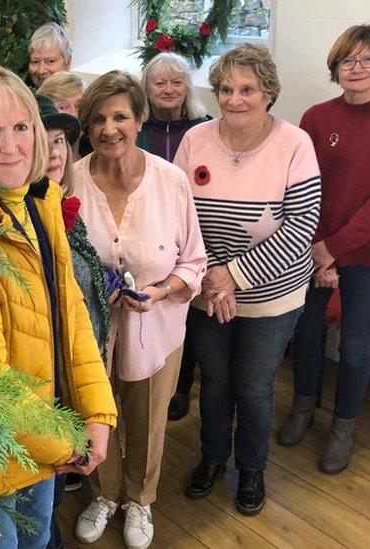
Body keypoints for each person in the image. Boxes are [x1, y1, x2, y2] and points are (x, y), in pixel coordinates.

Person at [0, 62, 117, 549]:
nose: (11, 145)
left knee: (36, 542)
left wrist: (97, 414)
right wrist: (67, 443)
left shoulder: (41, 202)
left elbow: (73, 319)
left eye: (21, 127)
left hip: (45, 435)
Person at [173, 44, 321, 516]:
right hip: (207, 290)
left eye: (247, 89)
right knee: (214, 383)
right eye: (225, 89)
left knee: (255, 387)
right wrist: (214, 278)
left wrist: (232, 276)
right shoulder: (196, 139)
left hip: (273, 296)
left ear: (269, 93)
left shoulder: (295, 144)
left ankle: (252, 468)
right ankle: (214, 457)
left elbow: (301, 227)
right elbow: (179, 216)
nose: (234, 99)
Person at [71, 71, 207, 549]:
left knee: (148, 419)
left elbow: (194, 260)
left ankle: (139, 500)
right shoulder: (70, 182)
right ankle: (104, 493)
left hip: (157, 329)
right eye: (98, 120)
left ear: (140, 118)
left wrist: (165, 289)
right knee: (96, 412)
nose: (110, 128)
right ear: (86, 128)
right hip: (90, 332)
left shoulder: (171, 181)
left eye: (120, 116)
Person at [281, 24, 370, 474]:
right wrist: (317, 249)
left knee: (356, 347)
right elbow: (303, 188)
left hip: (367, 250)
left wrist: (334, 251)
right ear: (335, 67)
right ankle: (304, 407)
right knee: (306, 332)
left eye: (367, 60)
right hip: (313, 243)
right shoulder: (317, 117)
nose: (356, 68)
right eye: (347, 60)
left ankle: (343, 427)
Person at [36, 94, 109, 549]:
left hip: (75, 378)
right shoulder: (28, 219)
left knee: (56, 493)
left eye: (59, 141)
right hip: (46, 391)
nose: (53, 152)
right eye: (40, 141)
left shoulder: (63, 207)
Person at [137, 52, 212, 422]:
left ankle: (181, 387)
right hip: (150, 237)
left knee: (188, 317)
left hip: (194, 235)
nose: (168, 89)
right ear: (146, 89)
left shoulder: (205, 128)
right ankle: (154, 381)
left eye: (176, 82)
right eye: (159, 82)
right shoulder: (138, 131)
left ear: (187, 87)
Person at [28, 22, 72, 87]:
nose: (41, 71)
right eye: (35, 62)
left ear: (67, 63)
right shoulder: (23, 94)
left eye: (50, 61)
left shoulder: (79, 95)